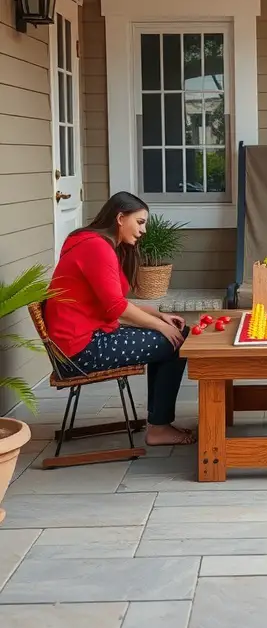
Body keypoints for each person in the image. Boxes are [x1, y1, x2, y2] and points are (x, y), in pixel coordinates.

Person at [45, 191, 194, 446]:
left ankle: (159, 423)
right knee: (176, 340)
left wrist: (160, 316)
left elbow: (116, 303)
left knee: (174, 334)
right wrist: (161, 326)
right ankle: (159, 428)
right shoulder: (96, 247)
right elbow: (117, 308)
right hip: (80, 351)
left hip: (80, 343)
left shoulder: (88, 241)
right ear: (120, 217)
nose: (144, 230)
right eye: (140, 222)